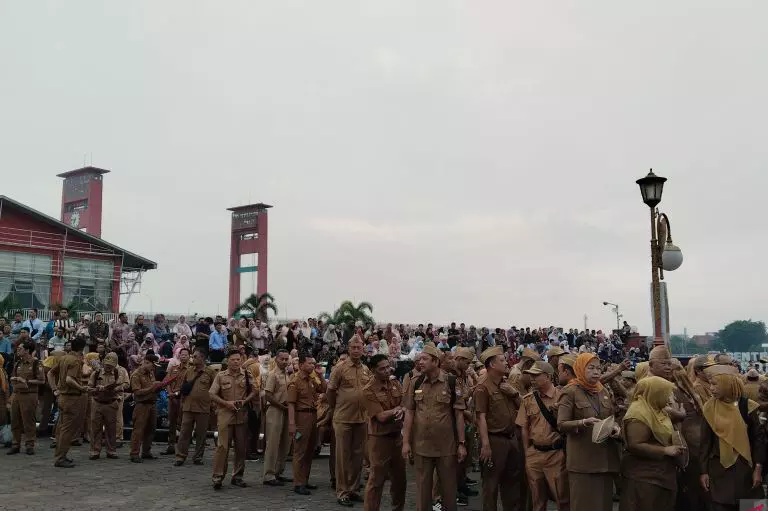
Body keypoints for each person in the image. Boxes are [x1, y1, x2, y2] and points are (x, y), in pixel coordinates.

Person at [402, 343, 467, 511]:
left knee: (448, 490)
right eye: (419, 359)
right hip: (422, 446)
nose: (420, 362)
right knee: (423, 490)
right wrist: (406, 442)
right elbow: (409, 412)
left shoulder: (451, 382)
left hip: (446, 446)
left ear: (436, 361)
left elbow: (459, 415)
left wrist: (461, 443)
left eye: (424, 359)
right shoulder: (416, 382)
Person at [556, 352, 621, 511]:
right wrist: (583, 422)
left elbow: (611, 417)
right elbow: (561, 424)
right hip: (583, 462)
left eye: (599, 368)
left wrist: (616, 428)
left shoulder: (603, 391)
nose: (596, 372)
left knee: (604, 505)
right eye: (591, 368)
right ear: (579, 369)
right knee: (583, 505)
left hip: (605, 460)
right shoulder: (570, 391)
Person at [701, 370, 766, 511]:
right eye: (710, 384)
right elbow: (705, 443)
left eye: (714, 384)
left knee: (752, 507)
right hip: (719, 472)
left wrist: (758, 469)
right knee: (721, 504)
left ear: (727, 385)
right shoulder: (709, 408)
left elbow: (759, 441)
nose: (711, 388)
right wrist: (703, 472)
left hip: (747, 472)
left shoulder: (748, 407)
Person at [620, 376, 683, 511]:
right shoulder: (639, 414)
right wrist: (665, 450)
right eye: (666, 394)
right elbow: (635, 445)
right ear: (655, 393)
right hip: (645, 477)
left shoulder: (656, 408)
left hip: (661, 473)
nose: (669, 399)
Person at [474, 345, 522, 511]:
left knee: (512, 484)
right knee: (491, 485)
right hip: (494, 441)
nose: (507, 362)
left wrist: (514, 393)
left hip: (511, 438)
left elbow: (521, 407)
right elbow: (480, 417)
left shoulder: (505, 383)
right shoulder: (483, 386)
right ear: (492, 365)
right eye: (502, 360)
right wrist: (485, 445)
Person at [326, 336, 373, 507]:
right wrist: (335, 408)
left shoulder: (366, 369)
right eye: (353, 347)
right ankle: (342, 492)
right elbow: (330, 391)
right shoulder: (340, 368)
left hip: (361, 419)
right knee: (342, 457)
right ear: (348, 348)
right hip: (343, 418)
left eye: (359, 347)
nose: (356, 350)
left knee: (358, 456)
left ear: (363, 349)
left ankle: (353, 490)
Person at [516, 360, 568, 511]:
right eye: (530, 375)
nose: (532, 379)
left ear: (548, 376)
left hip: (556, 454)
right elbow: (524, 427)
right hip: (535, 453)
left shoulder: (562, 396)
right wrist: (527, 453)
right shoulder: (528, 399)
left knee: (562, 499)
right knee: (537, 501)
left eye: (536, 375)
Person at [362, 353, 406, 511]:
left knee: (400, 479)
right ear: (373, 370)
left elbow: (404, 402)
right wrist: (397, 410)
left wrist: (402, 408)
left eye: (388, 367)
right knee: (376, 481)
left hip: (397, 438)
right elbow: (380, 416)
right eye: (382, 369)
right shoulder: (368, 390)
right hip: (379, 439)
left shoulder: (394, 383)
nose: (387, 370)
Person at [209, 350, 257, 490]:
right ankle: (218, 477)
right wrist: (226, 403)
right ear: (227, 360)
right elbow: (212, 394)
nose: (236, 362)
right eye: (233, 359)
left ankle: (238, 476)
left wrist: (245, 400)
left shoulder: (247, 375)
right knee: (222, 447)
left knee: (241, 448)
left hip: (241, 415)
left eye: (238, 359)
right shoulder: (221, 376)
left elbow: (255, 390)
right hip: (225, 415)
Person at [287, 354, 327, 495]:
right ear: (301, 364)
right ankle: (298, 483)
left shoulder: (311, 379)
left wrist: (320, 375)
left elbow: (324, 389)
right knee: (300, 452)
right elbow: (291, 404)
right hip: (301, 416)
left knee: (310, 451)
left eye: (314, 363)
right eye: (310, 363)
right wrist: (292, 424)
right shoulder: (295, 381)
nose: (312, 366)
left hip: (312, 415)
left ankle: (305, 480)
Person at [49, 335, 88, 468]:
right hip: (71, 398)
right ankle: (60, 458)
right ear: (82, 349)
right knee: (67, 430)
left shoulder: (64, 358)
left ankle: (60, 455)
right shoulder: (76, 361)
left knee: (62, 427)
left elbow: (50, 374)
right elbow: (69, 380)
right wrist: (82, 388)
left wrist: (55, 389)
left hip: (62, 397)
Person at [174, 348, 216, 466]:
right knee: (184, 433)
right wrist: (182, 403)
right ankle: (180, 456)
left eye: (196, 356)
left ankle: (198, 457)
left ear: (202, 358)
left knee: (201, 434)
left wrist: (213, 404)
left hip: (203, 407)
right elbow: (184, 388)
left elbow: (214, 389)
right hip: (188, 406)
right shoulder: (189, 371)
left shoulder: (210, 372)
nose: (193, 358)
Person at [88, 352, 127, 460]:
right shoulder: (96, 374)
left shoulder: (118, 373)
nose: (108, 368)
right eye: (107, 366)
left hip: (111, 403)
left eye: (111, 366)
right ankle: (95, 451)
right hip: (97, 403)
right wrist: (97, 389)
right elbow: (89, 388)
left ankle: (111, 451)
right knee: (96, 428)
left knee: (111, 429)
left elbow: (126, 384)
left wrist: (118, 388)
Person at [8, 341, 44, 455]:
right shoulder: (17, 363)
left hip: (29, 394)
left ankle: (29, 444)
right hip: (17, 394)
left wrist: (26, 381)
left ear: (27, 350)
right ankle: (15, 444)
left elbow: (42, 380)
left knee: (28, 421)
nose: (18, 350)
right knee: (15, 420)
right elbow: (12, 377)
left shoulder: (35, 363)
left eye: (20, 348)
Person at [263, 349, 292, 486]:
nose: (285, 361)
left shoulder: (287, 375)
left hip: (286, 411)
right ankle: (269, 475)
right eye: (282, 359)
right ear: (276, 359)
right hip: (275, 410)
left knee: (285, 443)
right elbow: (268, 395)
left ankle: (278, 472)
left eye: (287, 359)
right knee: (273, 443)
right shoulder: (272, 375)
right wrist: (281, 406)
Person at [129, 351, 165, 463]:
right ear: (146, 362)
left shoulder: (151, 373)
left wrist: (159, 386)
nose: (154, 368)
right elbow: (137, 392)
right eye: (153, 365)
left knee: (151, 429)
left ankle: (146, 451)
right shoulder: (136, 374)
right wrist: (151, 388)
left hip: (152, 404)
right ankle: (134, 453)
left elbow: (153, 386)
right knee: (138, 430)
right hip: (141, 405)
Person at [162, 347, 190, 456]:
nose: (183, 356)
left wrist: (176, 393)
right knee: (172, 422)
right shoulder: (173, 368)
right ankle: (171, 446)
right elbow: (166, 381)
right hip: (172, 399)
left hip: (183, 399)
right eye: (182, 354)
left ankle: (182, 448)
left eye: (186, 354)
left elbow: (188, 386)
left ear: (189, 357)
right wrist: (169, 393)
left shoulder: (191, 370)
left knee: (183, 423)